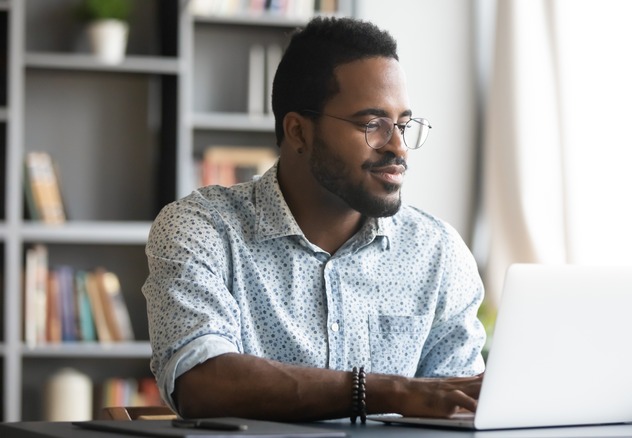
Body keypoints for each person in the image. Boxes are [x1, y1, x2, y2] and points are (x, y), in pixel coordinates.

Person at [142, 16, 486, 422]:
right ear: (299, 132)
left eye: (404, 125)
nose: (398, 148)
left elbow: (461, 406)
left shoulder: (437, 251)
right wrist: (387, 391)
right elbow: (203, 383)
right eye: (373, 124)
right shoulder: (200, 229)